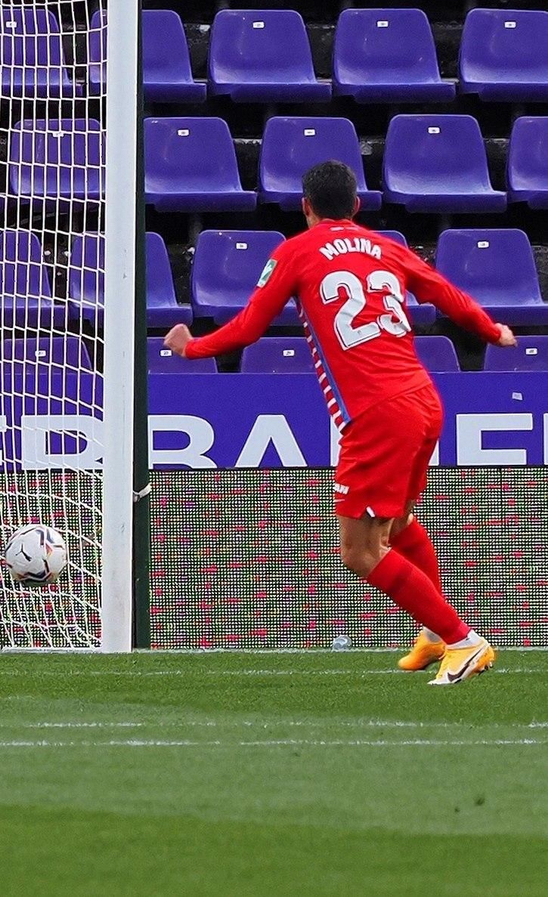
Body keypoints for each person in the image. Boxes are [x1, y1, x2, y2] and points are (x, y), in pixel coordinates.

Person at [164, 160, 515, 685]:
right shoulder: (388, 247)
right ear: (356, 206)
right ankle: (439, 634)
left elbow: (248, 328)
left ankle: (462, 640)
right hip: (423, 400)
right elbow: (444, 293)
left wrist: (193, 347)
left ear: (305, 207)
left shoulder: (296, 251)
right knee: (394, 526)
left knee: (358, 551)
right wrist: (492, 330)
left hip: (378, 413)